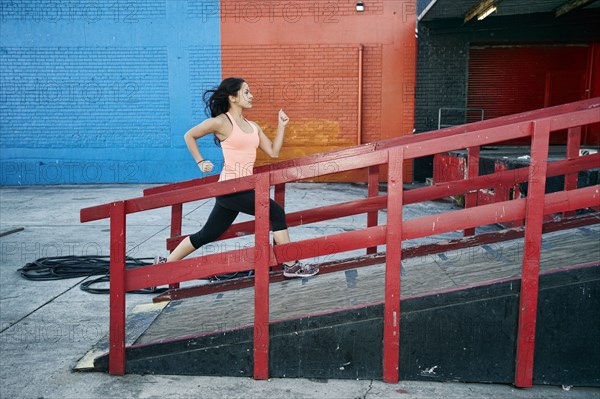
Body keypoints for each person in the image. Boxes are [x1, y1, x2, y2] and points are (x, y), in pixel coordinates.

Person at [155, 77, 319, 278]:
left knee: (208, 234)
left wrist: (282, 126)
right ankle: (292, 265)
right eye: (246, 92)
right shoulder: (221, 122)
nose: (251, 96)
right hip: (230, 188)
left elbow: (274, 152)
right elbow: (189, 135)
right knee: (275, 213)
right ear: (233, 97)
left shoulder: (253, 126)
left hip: (244, 189)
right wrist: (200, 162)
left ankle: (163, 266)